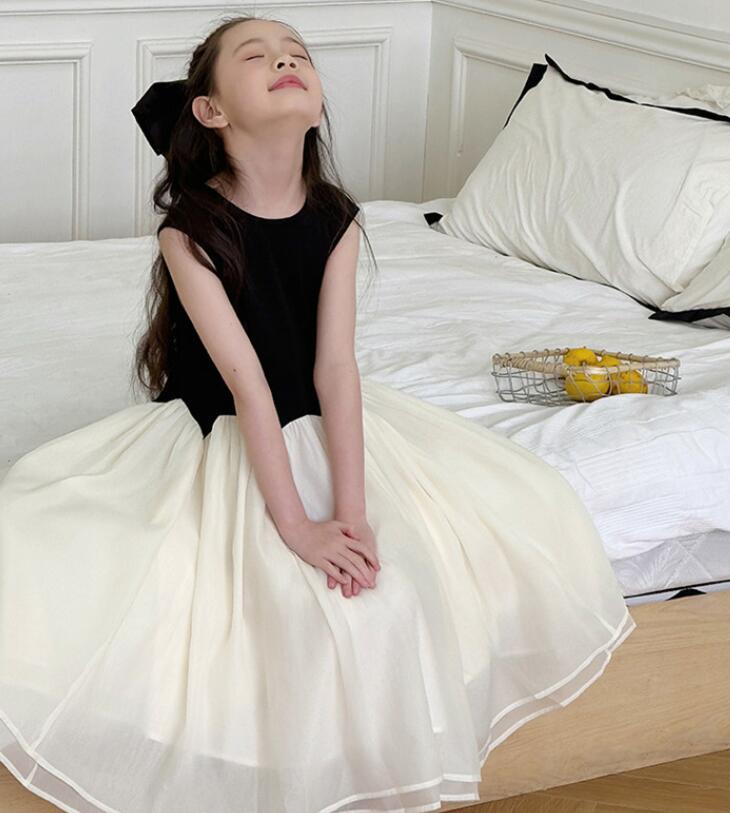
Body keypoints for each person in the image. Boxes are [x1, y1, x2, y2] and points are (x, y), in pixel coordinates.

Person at [0, 14, 637, 813]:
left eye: (297, 53)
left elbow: (335, 368)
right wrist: (298, 526)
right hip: (229, 430)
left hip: (316, 416)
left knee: (458, 542)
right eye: (256, 56)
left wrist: (353, 510)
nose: (284, 60)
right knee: (62, 538)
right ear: (211, 111)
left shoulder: (338, 219)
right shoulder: (189, 230)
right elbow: (247, 385)